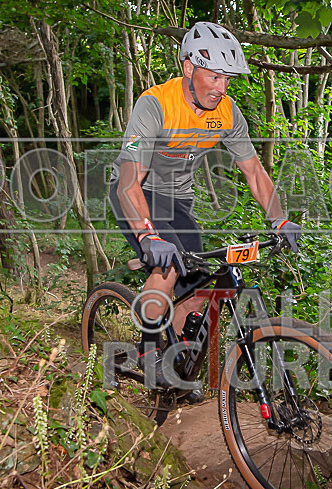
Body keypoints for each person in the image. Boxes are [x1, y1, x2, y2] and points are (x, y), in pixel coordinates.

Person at [109, 21, 301, 388]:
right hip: (135, 192)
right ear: (188, 68)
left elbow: (254, 172)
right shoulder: (155, 105)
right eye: (215, 77)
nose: (222, 88)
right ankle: (150, 354)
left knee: (200, 289)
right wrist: (149, 237)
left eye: (228, 79)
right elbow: (130, 182)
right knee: (166, 268)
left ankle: (178, 364)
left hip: (178, 201)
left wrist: (279, 219)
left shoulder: (227, 113)